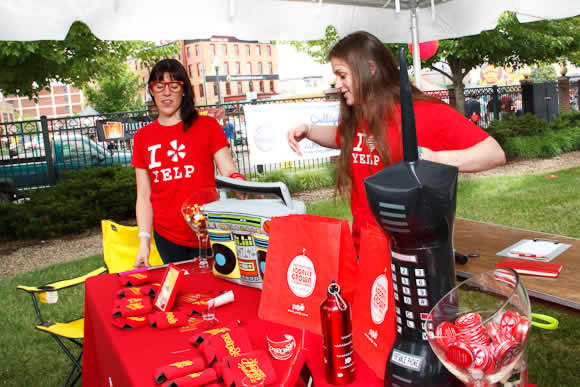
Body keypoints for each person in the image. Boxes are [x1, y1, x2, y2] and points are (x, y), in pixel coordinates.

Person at [287, 31, 506, 252]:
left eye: (342, 75)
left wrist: (436, 159)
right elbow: (344, 138)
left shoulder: (425, 113)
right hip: (363, 250)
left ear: (370, 69)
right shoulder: (363, 115)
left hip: (406, 252)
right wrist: (309, 130)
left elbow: (494, 153)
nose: (337, 83)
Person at [132, 59, 246, 268]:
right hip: (167, 236)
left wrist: (241, 185)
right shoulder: (142, 137)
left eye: (174, 86)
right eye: (159, 86)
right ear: (152, 91)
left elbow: (228, 169)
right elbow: (143, 195)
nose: (166, 93)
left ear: (183, 90)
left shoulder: (208, 126)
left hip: (208, 229)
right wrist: (144, 241)